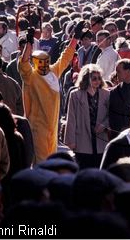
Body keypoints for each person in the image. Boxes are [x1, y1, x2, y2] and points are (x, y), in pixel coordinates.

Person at [19, 21, 84, 163]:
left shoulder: (54, 72)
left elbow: (66, 56)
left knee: (51, 159)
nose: (43, 65)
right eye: (40, 62)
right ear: (35, 62)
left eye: (45, 61)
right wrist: (29, 44)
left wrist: (75, 37)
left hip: (52, 125)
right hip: (37, 127)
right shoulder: (31, 76)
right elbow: (23, 63)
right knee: (41, 161)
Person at [65, 64, 110, 169]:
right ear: (86, 79)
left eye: (99, 78)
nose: (97, 81)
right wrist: (71, 141)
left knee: (99, 169)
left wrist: (104, 124)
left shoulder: (106, 94)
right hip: (82, 138)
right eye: (94, 79)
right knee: (84, 169)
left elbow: (111, 114)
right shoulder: (75, 94)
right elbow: (71, 118)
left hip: (100, 139)